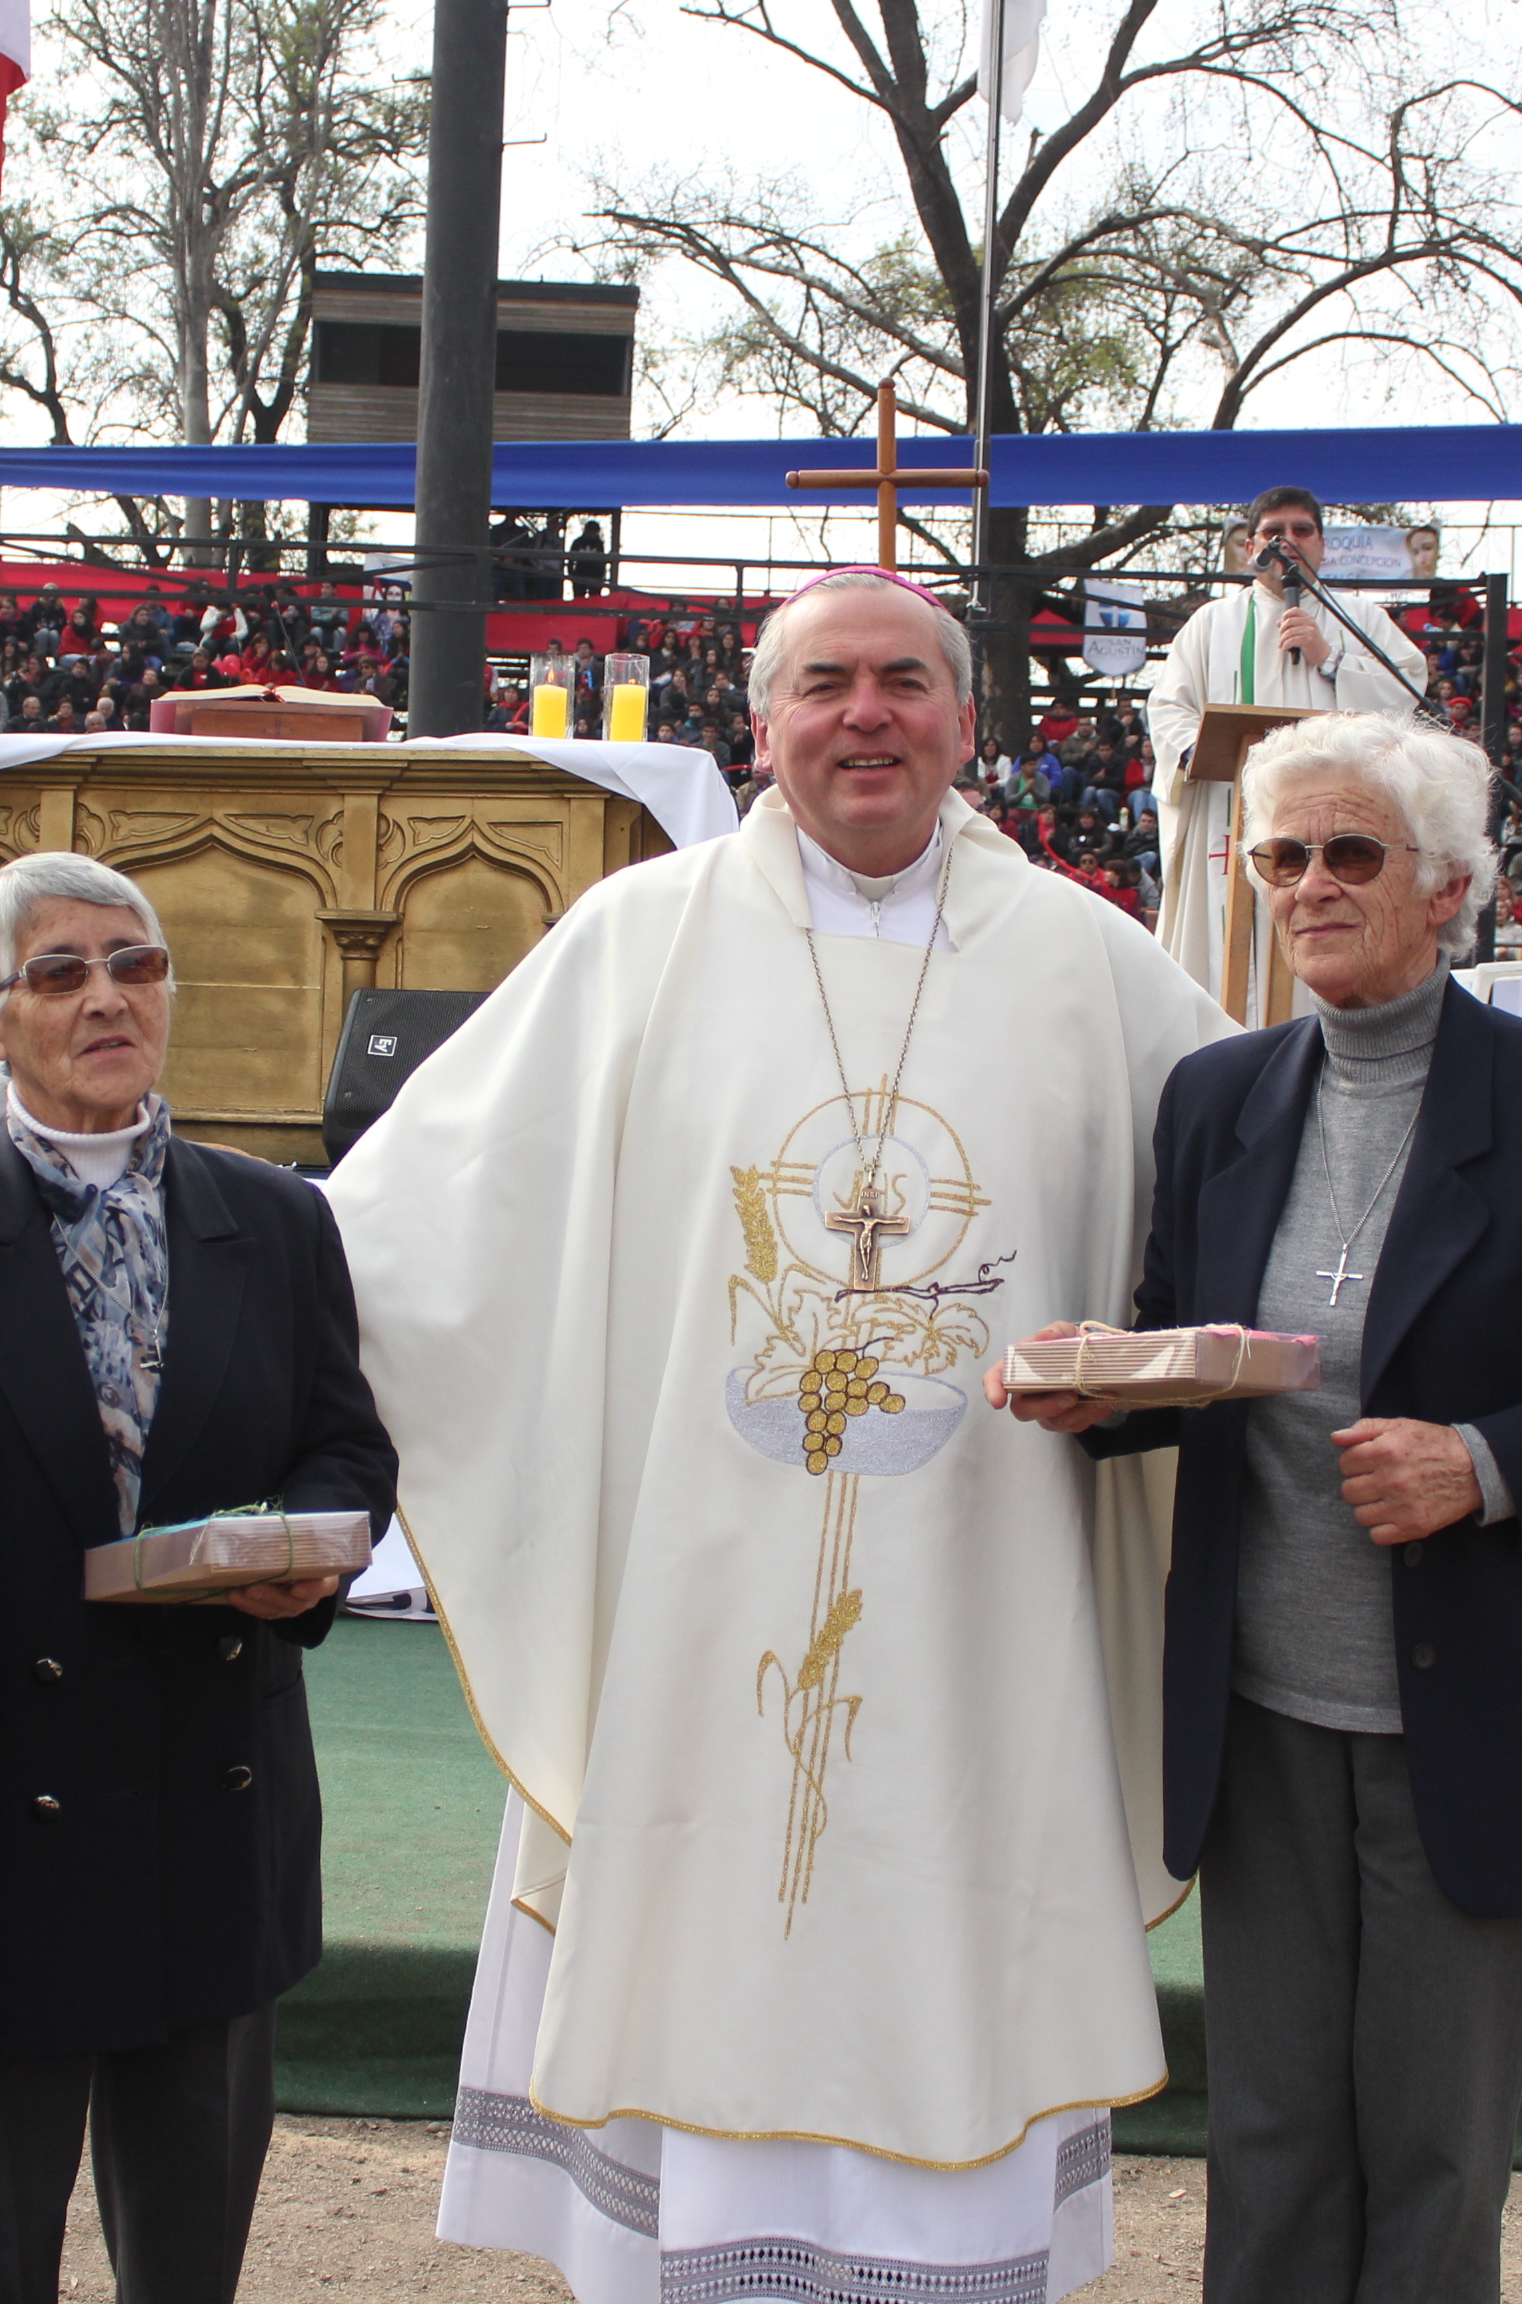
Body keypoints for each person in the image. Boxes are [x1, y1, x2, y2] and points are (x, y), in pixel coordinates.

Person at [330, 567, 1228, 2301]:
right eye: (824, 684)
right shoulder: (638, 938)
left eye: (905, 680)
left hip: (988, 1577)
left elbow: (1238, 1210)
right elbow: (426, 1205)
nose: (865, 715)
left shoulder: (1093, 960)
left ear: (967, 721)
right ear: (762, 725)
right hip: (701, 1577)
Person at [999, 712, 1522, 2304]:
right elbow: (1191, 1338)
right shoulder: (1218, 1097)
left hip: (1477, 1709)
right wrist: (1109, 1392)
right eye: (1282, 857)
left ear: (1449, 887)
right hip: (1264, 1709)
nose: (1311, 885)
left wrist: (1482, 1464)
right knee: (1270, 2135)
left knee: (1431, 2149)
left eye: (1351, 853)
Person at [0, 853, 397, 2304]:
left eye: (134, 965)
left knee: (190, 2250)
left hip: (210, 1777)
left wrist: (308, 1554)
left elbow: (345, 1446)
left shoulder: (276, 1220)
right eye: (60, 972)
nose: (106, 998)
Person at [1146, 486, 1431, 1000]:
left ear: (1322, 544)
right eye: (1273, 531)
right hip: (1231, 813)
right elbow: (1169, 707)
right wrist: (1198, 751)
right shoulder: (1213, 622)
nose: (1287, 541)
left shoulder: (1358, 617)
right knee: (1227, 950)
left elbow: (1407, 688)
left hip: (1331, 823)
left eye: (1302, 530)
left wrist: (1330, 658)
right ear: (1249, 547)